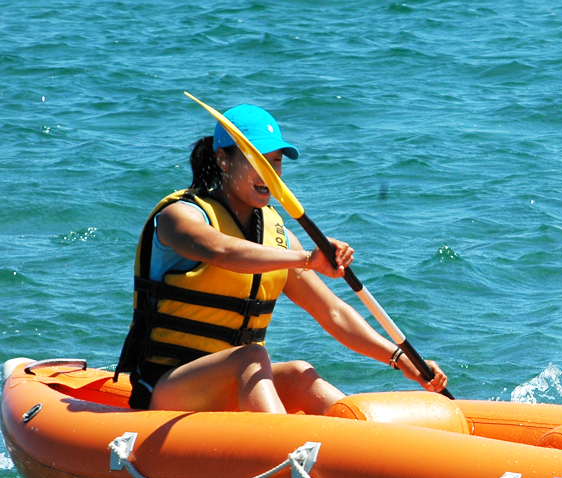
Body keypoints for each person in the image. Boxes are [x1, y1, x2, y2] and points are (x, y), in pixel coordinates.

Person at [114, 103, 447, 413]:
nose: (269, 174)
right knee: (251, 358)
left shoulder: (278, 238)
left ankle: (367, 442)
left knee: (300, 373)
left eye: (275, 162)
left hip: (228, 383)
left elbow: (332, 312)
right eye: (258, 161)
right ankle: (283, 448)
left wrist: (400, 359)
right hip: (166, 387)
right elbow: (223, 251)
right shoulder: (179, 217)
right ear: (223, 159)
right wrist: (305, 259)